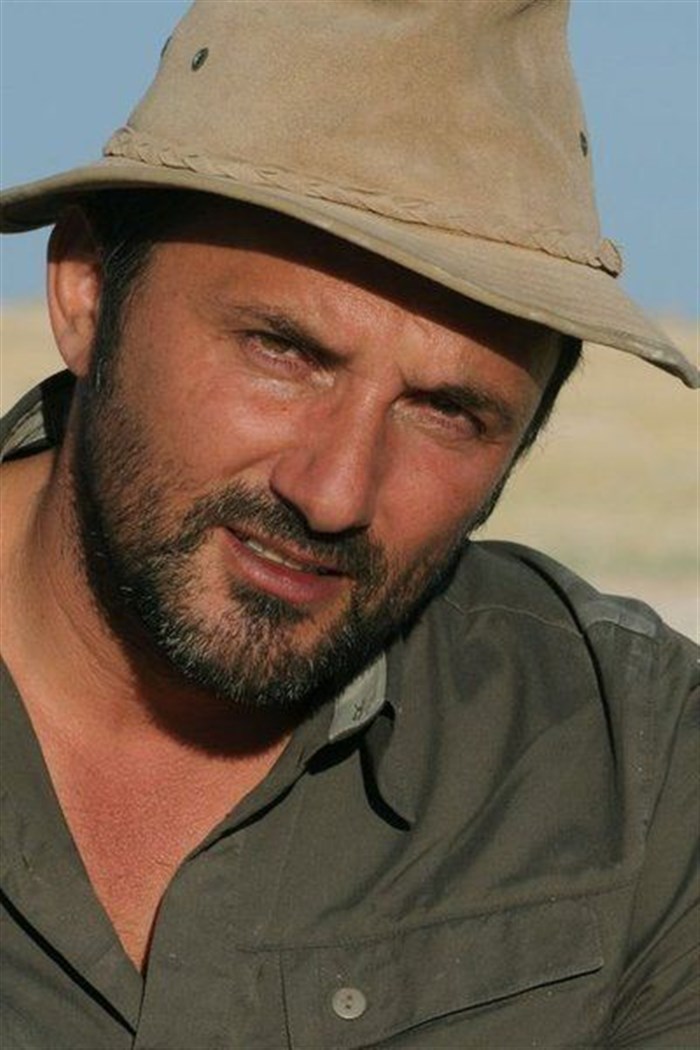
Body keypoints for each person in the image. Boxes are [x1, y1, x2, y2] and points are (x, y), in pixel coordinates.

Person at [0, 2, 697, 1047]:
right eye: (283, 352)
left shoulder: (636, 767)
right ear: (88, 294)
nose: (333, 493)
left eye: (447, 412)